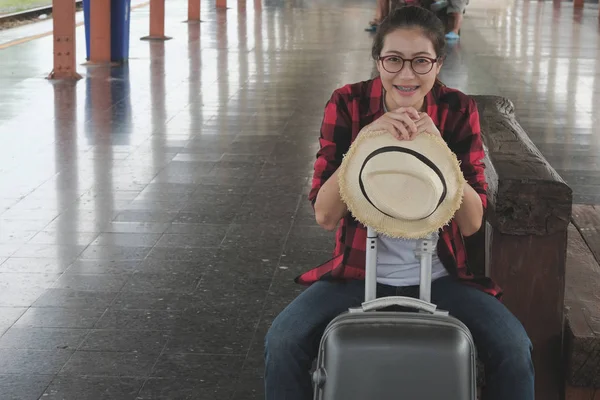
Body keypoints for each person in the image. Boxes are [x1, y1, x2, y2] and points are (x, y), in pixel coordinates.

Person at [264, 6, 534, 400]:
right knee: (283, 342)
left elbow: (472, 223)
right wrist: (366, 140)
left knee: (513, 349)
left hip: (444, 276)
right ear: (378, 60)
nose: (407, 75)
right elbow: (325, 215)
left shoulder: (457, 110)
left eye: (421, 61)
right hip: (357, 273)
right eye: (393, 60)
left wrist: (439, 148)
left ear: (439, 63)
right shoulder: (349, 103)